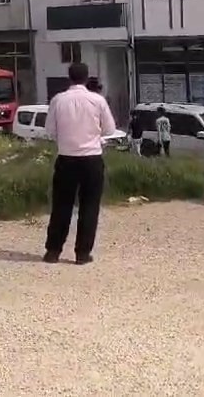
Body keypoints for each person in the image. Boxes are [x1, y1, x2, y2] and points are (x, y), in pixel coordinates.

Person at [44, 62, 116, 266]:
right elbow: (109, 130)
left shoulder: (58, 100)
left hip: (66, 158)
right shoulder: (97, 100)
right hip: (92, 157)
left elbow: (49, 131)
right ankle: (82, 253)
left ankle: (53, 250)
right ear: (86, 78)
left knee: (61, 205)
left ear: (69, 77)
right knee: (89, 207)